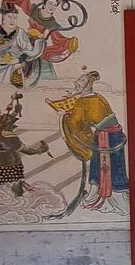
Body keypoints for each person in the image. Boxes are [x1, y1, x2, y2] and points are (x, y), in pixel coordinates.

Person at [46, 69, 129, 217]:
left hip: (105, 139)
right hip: (115, 135)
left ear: (87, 85)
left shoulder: (81, 102)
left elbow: (76, 124)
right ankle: (111, 198)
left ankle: (105, 199)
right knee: (113, 168)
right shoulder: (98, 97)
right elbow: (92, 116)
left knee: (104, 168)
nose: (76, 83)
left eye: (80, 81)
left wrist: (63, 115)